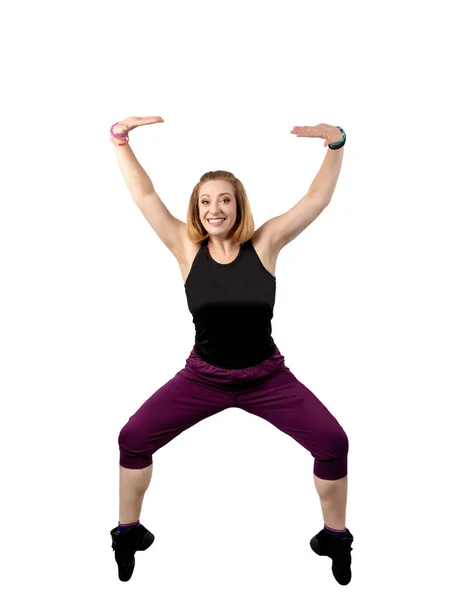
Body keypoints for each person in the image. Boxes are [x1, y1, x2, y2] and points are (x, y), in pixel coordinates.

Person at [108, 116, 353, 585]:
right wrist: (120, 140)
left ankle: (334, 539)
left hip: (267, 378)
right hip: (203, 378)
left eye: (224, 200)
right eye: (205, 201)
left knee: (333, 443)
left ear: (239, 207)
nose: (214, 209)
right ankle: (128, 533)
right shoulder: (184, 246)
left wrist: (336, 144)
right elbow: (144, 196)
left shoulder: (265, 243)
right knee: (132, 438)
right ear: (196, 209)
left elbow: (316, 200)